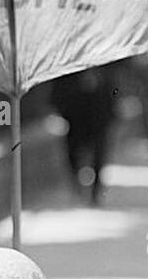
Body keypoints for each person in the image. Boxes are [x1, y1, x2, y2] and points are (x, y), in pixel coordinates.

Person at [50, 62, 120, 206]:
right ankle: (77, 187)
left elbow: (114, 90)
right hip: (76, 119)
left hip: (99, 119)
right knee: (73, 154)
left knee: (99, 156)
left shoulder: (104, 66)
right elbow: (59, 91)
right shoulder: (68, 67)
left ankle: (95, 192)